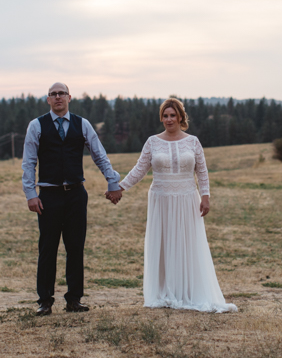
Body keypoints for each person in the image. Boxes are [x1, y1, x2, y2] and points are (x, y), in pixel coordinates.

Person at [111, 97, 236, 313]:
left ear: (180, 117)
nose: (169, 119)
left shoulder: (193, 142)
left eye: (172, 115)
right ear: (161, 118)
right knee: (164, 244)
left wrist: (205, 196)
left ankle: (187, 290)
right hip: (161, 199)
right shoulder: (152, 142)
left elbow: (202, 171)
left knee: (187, 243)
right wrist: (120, 188)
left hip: (188, 198)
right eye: (165, 116)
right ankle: (165, 291)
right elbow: (140, 169)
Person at [22, 82, 123, 316]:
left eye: (61, 94)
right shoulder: (36, 126)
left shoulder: (82, 124)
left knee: (76, 247)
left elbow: (99, 154)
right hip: (48, 195)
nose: (58, 97)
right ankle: (44, 301)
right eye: (53, 94)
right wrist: (30, 194)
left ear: (69, 97)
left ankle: (74, 299)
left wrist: (112, 181)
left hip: (76, 194)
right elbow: (28, 162)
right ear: (48, 100)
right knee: (47, 248)